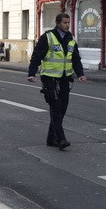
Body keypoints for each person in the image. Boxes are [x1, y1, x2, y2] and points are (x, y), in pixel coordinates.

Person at [27, 12, 87, 150]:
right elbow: (37, 56)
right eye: (65, 23)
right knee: (56, 108)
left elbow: (76, 59)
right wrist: (31, 73)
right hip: (50, 78)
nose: (67, 25)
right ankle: (61, 139)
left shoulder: (71, 39)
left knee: (62, 109)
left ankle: (51, 138)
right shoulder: (48, 37)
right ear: (58, 23)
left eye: (68, 22)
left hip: (65, 78)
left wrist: (80, 74)